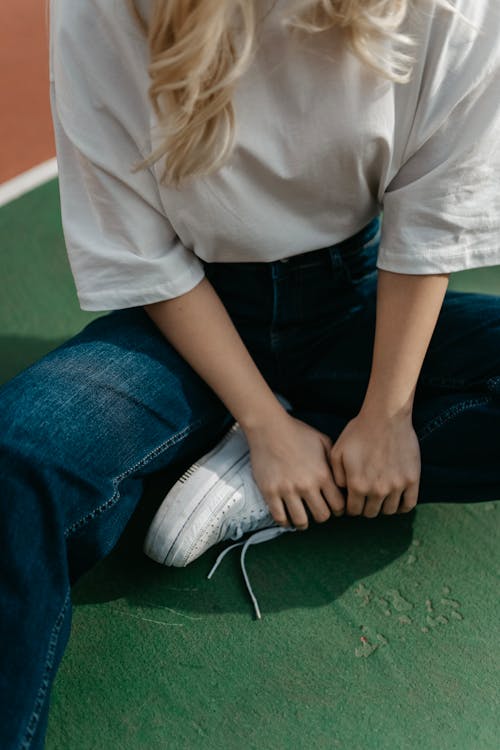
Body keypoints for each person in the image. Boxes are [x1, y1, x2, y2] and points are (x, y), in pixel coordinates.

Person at [1, 0, 499, 746]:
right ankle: (270, 439)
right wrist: (263, 420)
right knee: (19, 457)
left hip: (353, 301)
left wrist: (387, 414)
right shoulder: (104, 8)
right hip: (191, 312)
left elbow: (433, 206)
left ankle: (288, 455)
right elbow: (136, 249)